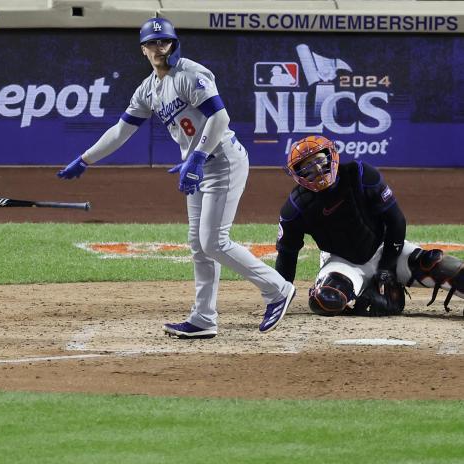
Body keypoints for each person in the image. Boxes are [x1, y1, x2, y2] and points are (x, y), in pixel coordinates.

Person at [57, 17, 296, 339]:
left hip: (222, 161)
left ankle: (277, 289)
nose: (158, 48)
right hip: (196, 166)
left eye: (164, 42)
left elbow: (220, 116)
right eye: (152, 43)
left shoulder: (190, 74)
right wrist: (85, 159)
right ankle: (203, 318)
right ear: (143, 49)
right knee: (198, 245)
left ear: (173, 43)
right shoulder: (149, 89)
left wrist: (195, 158)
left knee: (215, 241)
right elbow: (121, 131)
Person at [275, 135, 463, 315]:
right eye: (307, 167)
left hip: (384, 249)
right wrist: (281, 296)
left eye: (319, 160)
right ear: (297, 174)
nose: (316, 168)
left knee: (440, 265)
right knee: (325, 301)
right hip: (342, 261)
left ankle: (381, 291)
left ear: (331, 155)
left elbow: (396, 220)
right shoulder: (295, 208)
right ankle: (367, 299)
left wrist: (387, 267)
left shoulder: (361, 175)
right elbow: (287, 254)